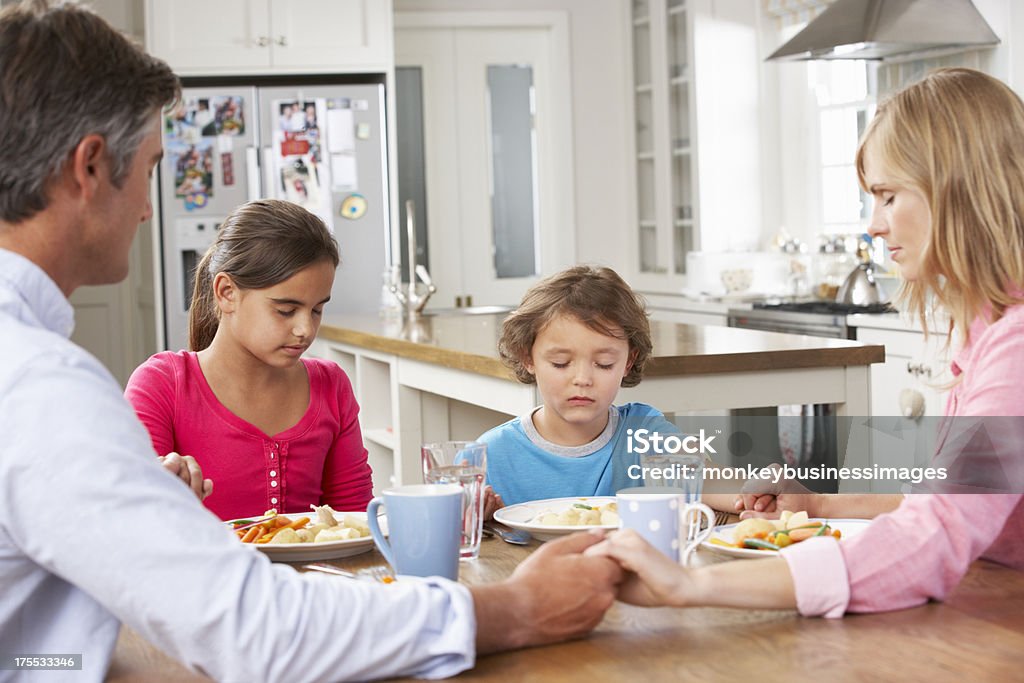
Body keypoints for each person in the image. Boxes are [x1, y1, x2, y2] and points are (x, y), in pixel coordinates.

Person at [0, 2, 622, 680]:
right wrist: (516, 609)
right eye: (150, 169)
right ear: (90, 167)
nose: (150, 207)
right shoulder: (38, 385)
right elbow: (249, 627)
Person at [588, 68, 1024, 617]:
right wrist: (817, 502)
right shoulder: (989, 329)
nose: (874, 225)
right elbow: (951, 499)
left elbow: (933, 537)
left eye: (888, 196)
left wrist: (691, 587)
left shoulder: (1015, 350)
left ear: (959, 192)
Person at [125, 199, 374, 521]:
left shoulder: (330, 385)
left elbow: (354, 520)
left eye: (316, 309)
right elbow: (135, 520)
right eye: (285, 310)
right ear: (227, 292)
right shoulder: (162, 385)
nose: (305, 329)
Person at [479, 265, 703, 508]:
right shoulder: (489, 455)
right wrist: (478, 516)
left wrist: (746, 495)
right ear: (528, 358)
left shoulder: (644, 432)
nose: (583, 379)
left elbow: (708, 480)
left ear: (628, 361)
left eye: (604, 364)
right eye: (560, 363)